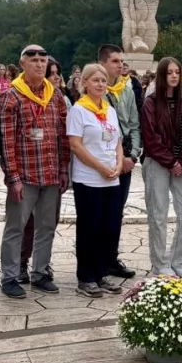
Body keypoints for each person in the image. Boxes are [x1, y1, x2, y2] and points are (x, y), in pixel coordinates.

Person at [0, 45, 70, 299]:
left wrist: (64, 169)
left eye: (43, 60)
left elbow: (62, 134)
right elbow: (6, 142)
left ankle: (40, 273)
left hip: (50, 173)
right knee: (16, 227)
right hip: (25, 175)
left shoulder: (56, 95)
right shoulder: (12, 96)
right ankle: (10, 276)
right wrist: (12, 177)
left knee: (47, 226)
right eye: (34, 60)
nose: (39, 65)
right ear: (22, 64)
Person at [69, 64, 126, 297]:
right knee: (89, 228)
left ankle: (101, 274)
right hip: (89, 179)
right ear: (84, 83)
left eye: (103, 80)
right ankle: (86, 277)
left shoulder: (109, 109)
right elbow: (76, 145)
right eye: (95, 80)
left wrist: (119, 164)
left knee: (109, 228)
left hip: (111, 178)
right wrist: (101, 167)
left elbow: (118, 142)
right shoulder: (79, 110)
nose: (101, 84)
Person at [140, 57, 182, 278]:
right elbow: (150, 137)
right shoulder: (151, 102)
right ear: (162, 76)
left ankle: (179, 260)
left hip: (180, 164)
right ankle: (160, 263)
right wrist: (170, 160)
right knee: (158, 214)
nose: (174, 76)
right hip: (157, 162)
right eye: (169, 72)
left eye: (177, 72)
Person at [99, 44, 139, 279]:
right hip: (105, 163)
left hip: (125, 161)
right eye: (115, 61)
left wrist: (132, 155)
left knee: (117, 213)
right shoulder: (96, 90)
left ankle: (111, 258)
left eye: (121, 61)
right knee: (101, 213)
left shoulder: (127, 89)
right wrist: (116, 159)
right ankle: (98, 260)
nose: (120, 65)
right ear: (103, 63)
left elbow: (134, 124)